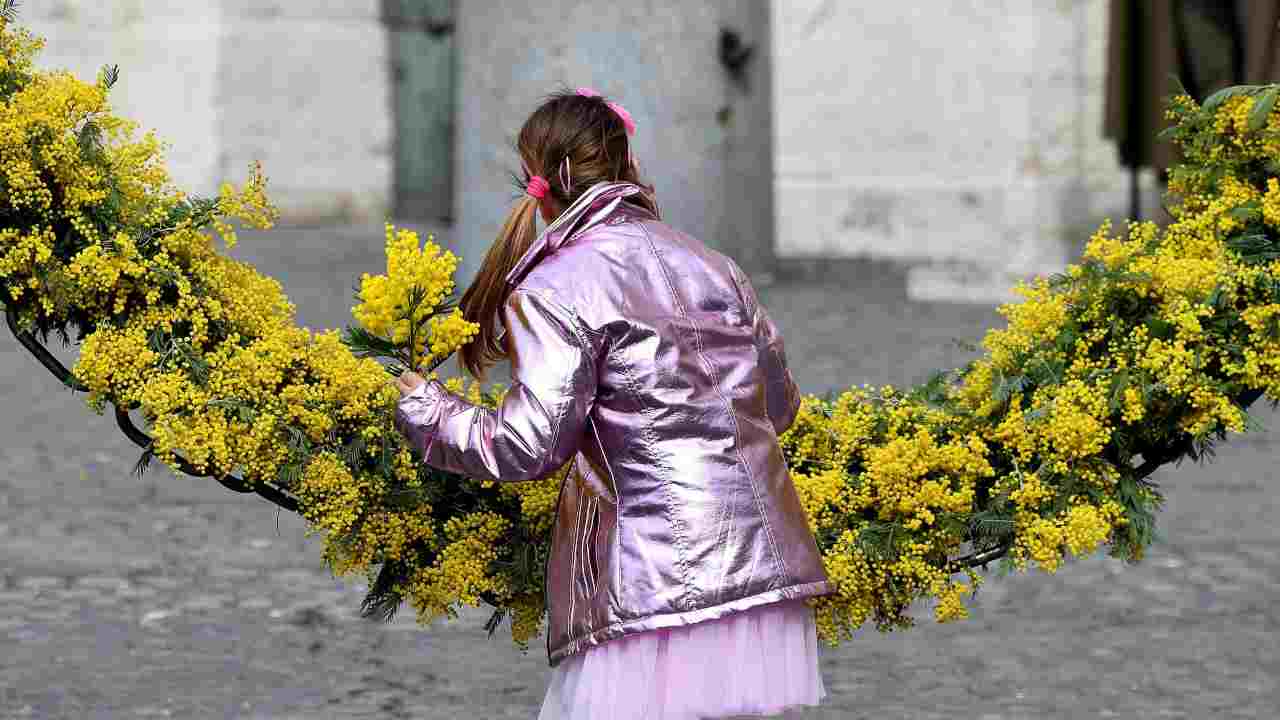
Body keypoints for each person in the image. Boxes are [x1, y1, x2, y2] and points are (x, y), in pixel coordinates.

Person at [393, 87, 831, 720]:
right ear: (627, 162)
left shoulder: (554, 285)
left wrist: (428, 410)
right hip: (765, 570)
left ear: (534, 177)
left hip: (654, 582)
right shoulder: (715, 265)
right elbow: (780, 405)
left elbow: (526, 444)